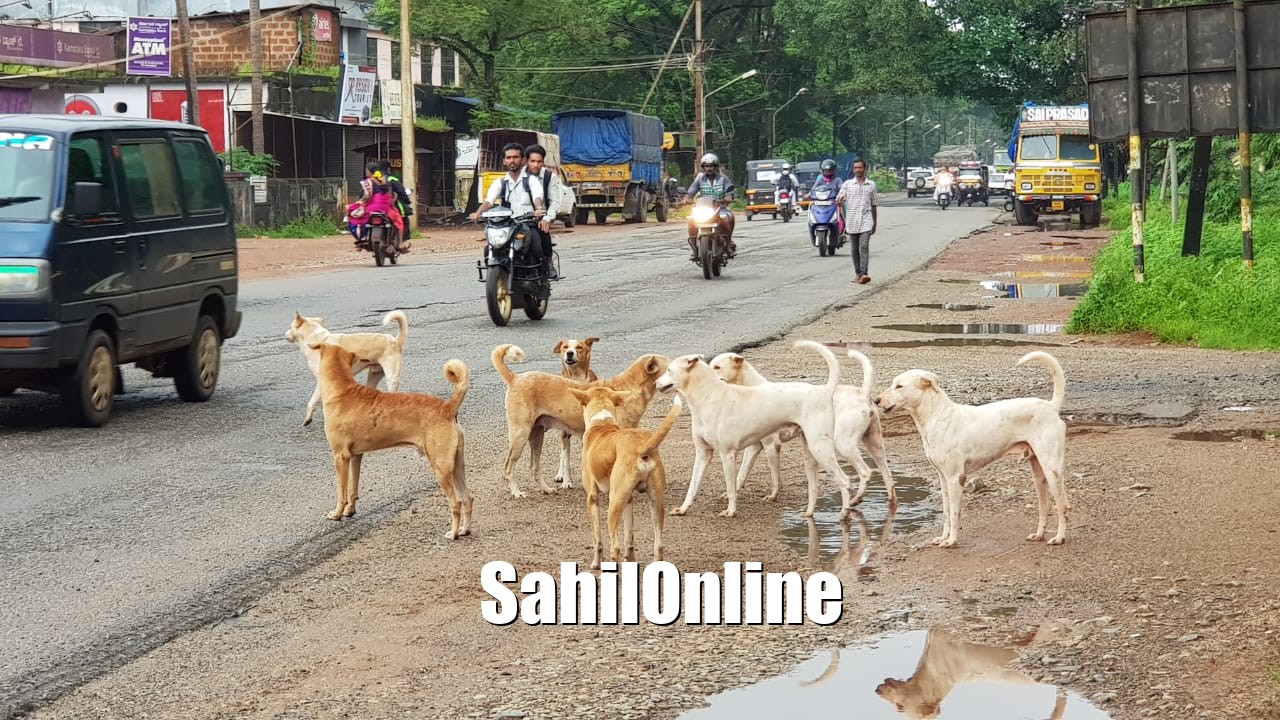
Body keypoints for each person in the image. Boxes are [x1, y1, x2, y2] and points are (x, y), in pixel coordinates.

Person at [470, 142, 546, 262]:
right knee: (489, 249)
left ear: (523, 160)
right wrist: (478, 213)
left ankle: (542, 277)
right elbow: (489, 201)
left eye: (515, 157)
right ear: (504, 161)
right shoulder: (500, 182)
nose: (512, 160)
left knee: (536, 248)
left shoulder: (531, 180)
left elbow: (538, 196)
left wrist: (538, 209)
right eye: (508, 157)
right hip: (506, 225)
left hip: (527, 223)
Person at [685, 152, 737, 260]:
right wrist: (687, 198)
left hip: (720, 209)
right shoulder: (699, 179)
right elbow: (691, 191)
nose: (709, 169)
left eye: (711, 166)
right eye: (706, 166)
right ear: (703, 167)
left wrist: (729, 197)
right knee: (691, 221)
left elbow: (730, 191)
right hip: (703, 209)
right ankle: (695, 249)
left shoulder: (723, 179)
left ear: (716, 167)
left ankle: (727, 245)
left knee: (727, 219)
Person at [835, 158, 877, 284]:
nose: (858, 170)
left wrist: (875, 222)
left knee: (864, 246)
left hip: (866, 220)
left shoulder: (871, 185)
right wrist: (840, 201)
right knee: (854, 249)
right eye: (855, 168)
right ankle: (858, 273)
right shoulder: (847, 185)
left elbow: (874, 204)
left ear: (865, 169)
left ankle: (864, 273)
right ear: (853, 170)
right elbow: (839, 200)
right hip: (852, 220)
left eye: (860, 167)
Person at [522, 143, 561, 280]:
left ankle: (549, 263)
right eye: (532, 161)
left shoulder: (550, 177)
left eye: (539, 161)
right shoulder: (518, 177)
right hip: (519, 218)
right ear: (526, 161)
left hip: (540, 217)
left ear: (543, 162)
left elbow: (555, 200)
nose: (536, 165)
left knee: (542, 233)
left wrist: (547, 218)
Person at [346, 162, 404, 248]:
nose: (366, 172)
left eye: (366, 170)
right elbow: (392, 195)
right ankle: (400, 244)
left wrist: (358, 204)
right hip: (385, 209)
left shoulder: (367, 182)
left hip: (370, 209)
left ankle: (361, 238)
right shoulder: (385, 180)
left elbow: (365, 197)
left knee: (352, 216)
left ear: (369, 171)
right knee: (398, 220)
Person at [378, 160, 414, 249]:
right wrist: (407, 201)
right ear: (388, 169)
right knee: (403, 218)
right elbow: (401, 192)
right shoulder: (392, 179)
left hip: (373, 208)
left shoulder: (372, 180)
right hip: (389, 207)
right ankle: (402, 242)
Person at [807, 158, 842, 245]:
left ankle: (842, 231)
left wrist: (841, 196)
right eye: (826, 170)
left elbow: (842, 189)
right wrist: (808, 195)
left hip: (834, 202)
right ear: (822, 171)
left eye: (830, 170)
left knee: (842, 212)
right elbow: (813, 190)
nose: (828, 172)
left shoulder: (838, 180)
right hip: (820, 203)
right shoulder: (820, 180)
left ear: (834, 170)